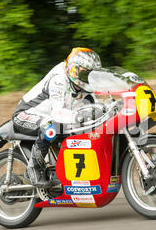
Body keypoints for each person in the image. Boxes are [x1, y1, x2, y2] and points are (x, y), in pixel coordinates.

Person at [12, 47, 102, 188]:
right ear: (75, 69)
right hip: (25, 114)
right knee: (50, 128)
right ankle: (32, 169)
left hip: (47, 116)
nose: (89, 79)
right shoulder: (59, 79)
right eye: (86, 74)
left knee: (76, 131)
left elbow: (97, 105)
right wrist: (80, 117)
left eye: (92, 75)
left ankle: (62, 172)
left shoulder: (82, 85)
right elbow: (58, 114)